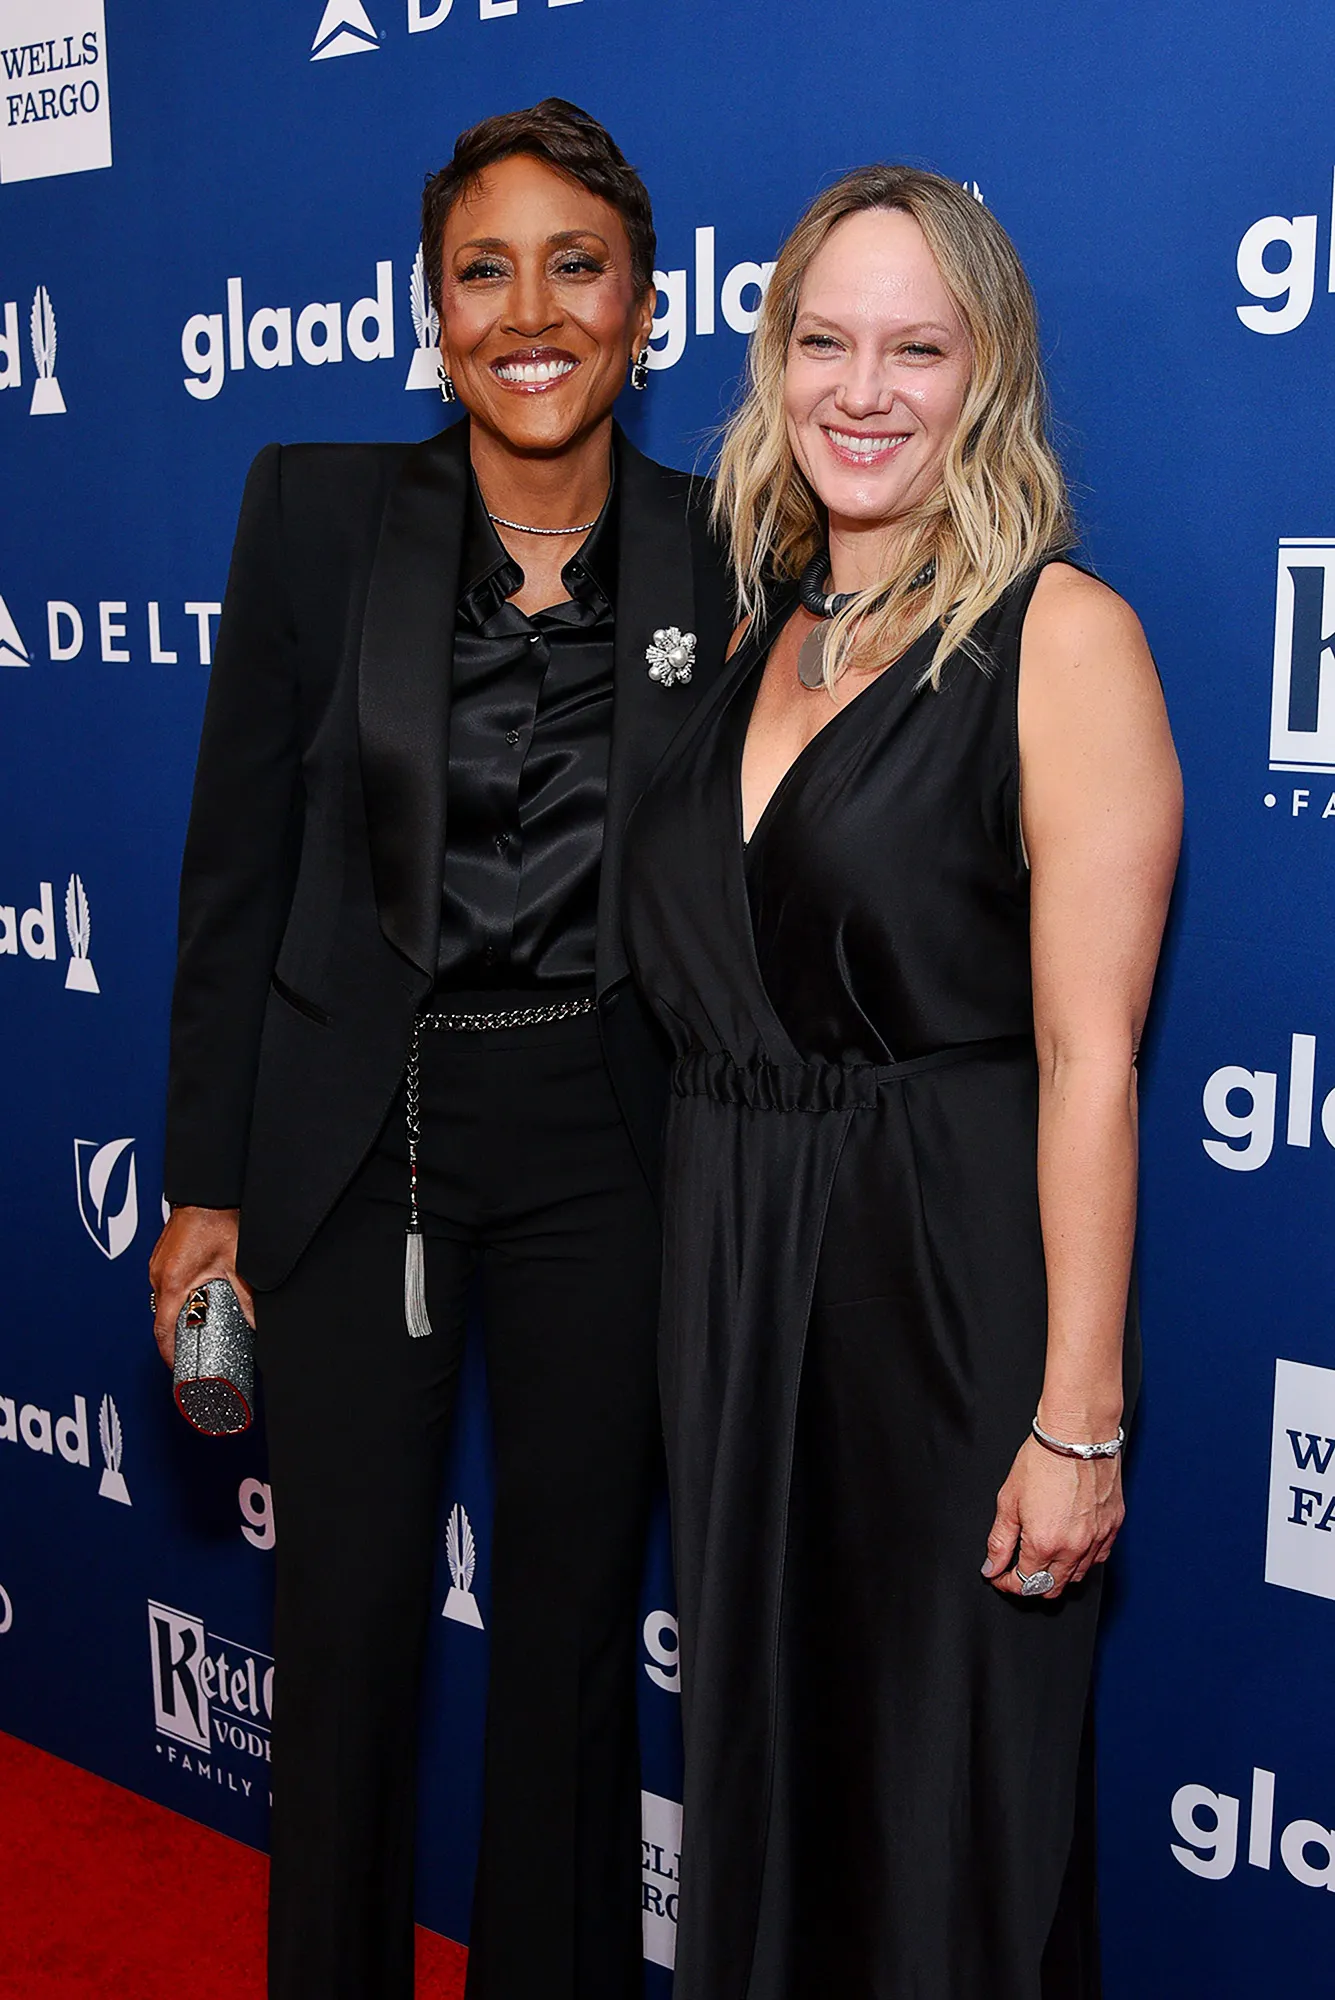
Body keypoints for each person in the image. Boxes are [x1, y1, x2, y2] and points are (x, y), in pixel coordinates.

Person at [149, 99, 731, 2000]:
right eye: (484, 271)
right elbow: (233, 872)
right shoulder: (315, 514)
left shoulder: (727, 546)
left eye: (576, 267)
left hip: (610, 1138)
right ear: (433, 308)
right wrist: (207, 1184)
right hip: (358, 1132)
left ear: (644, 307)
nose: (529, 312)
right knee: (344, 1629)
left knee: (570, 1639)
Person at [622, 166, 1182, 1999]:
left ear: (985, 373)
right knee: (765, 1765)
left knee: (932, 1793)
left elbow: (1090, 1059)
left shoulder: (1061, 636)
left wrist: (1076, 1418)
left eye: (916, 350)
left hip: (938, 1287)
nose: (862, 391)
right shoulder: (752, 634)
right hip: (735, 1267)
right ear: (773, 362)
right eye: (824, 341)